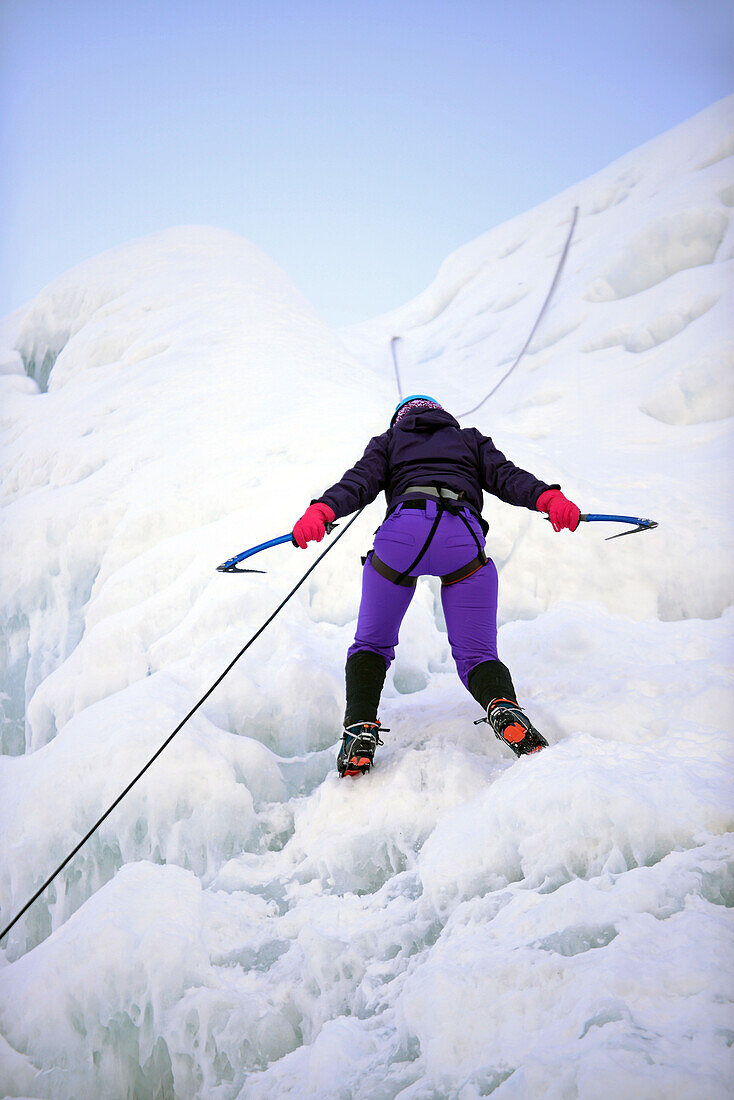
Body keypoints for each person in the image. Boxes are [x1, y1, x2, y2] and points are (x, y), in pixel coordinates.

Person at [292, 395, 580, 777]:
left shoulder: (389, 441)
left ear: (400, 420)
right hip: (460, 536)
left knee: (371, 645)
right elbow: (509, 478)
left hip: (403, 536)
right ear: (443, 416)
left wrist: (322, 511)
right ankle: (504, 709)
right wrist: (549, 498)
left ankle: (360, 731)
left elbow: (358, 483)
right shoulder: (470, 439)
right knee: (478, 655)